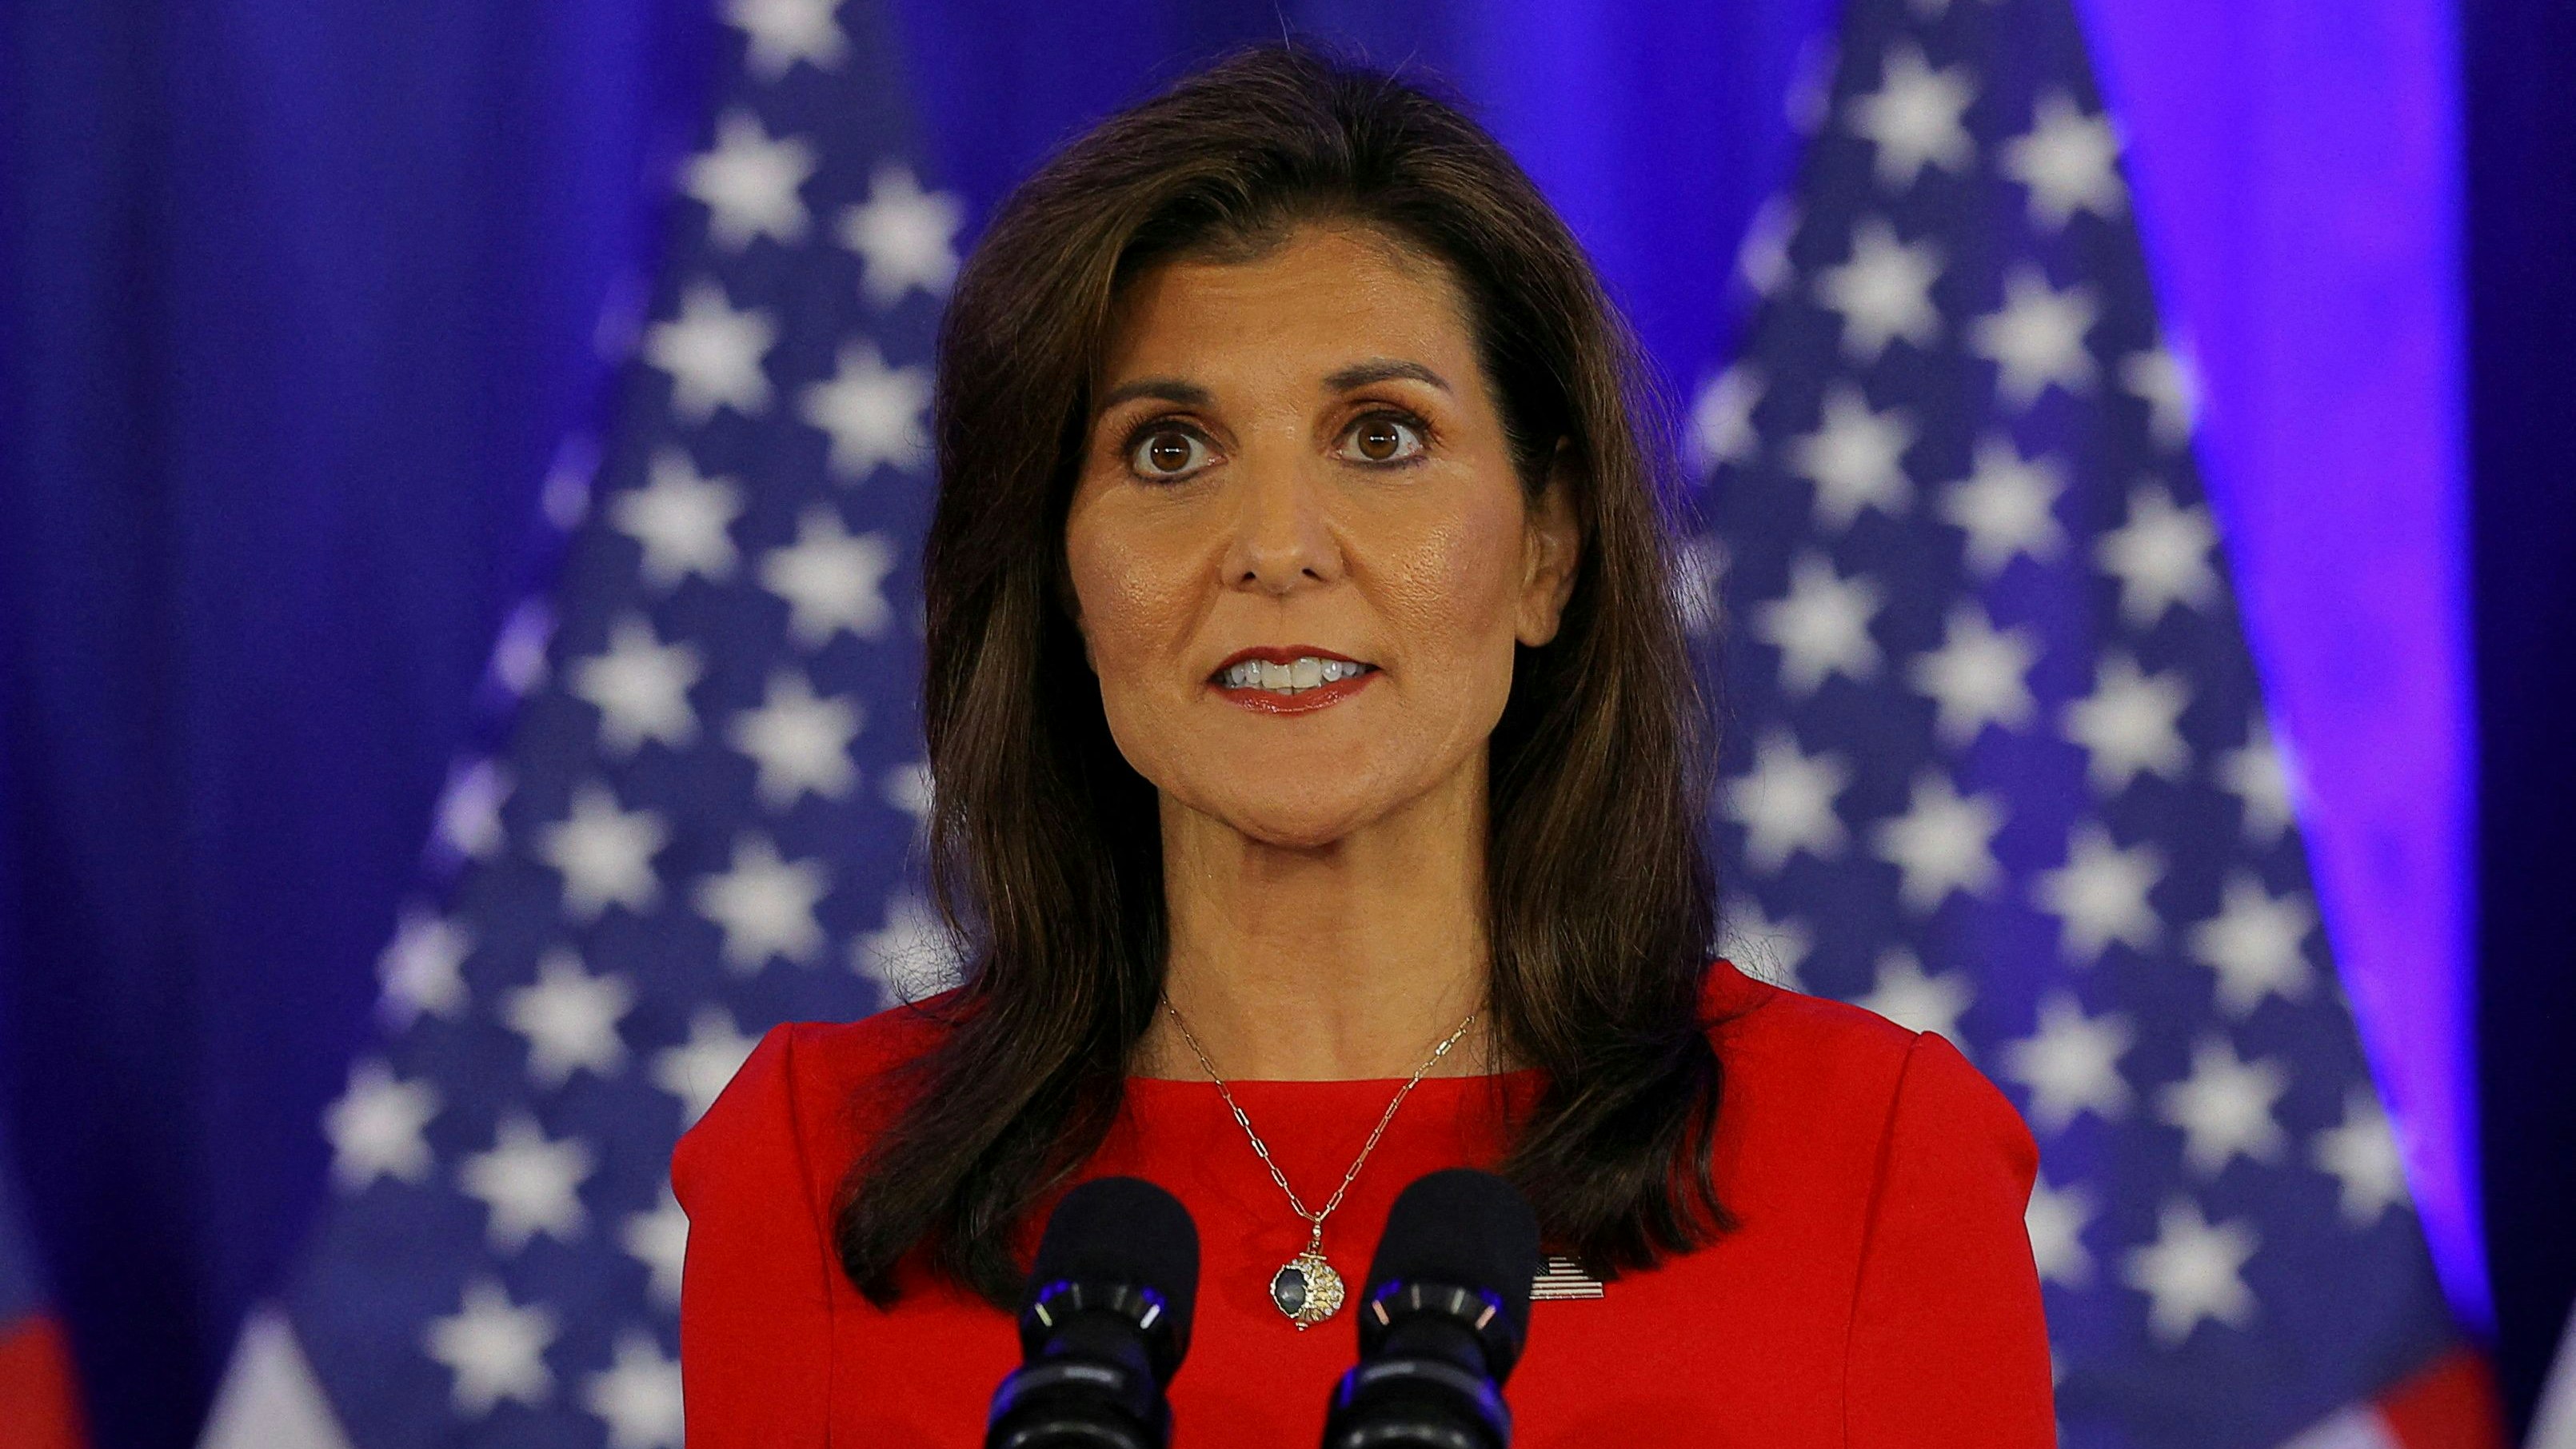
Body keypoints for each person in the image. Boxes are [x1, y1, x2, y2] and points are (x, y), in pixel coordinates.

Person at [673, 44, 2054, 1447]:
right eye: (1166, 451)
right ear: (1063, 582)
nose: (1275, 548)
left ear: (1548, 549)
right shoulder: (826, 1168)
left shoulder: (1866, 1161)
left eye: (1382, 437)